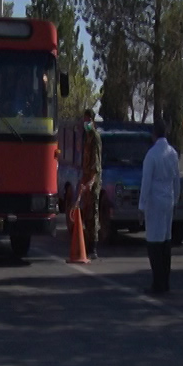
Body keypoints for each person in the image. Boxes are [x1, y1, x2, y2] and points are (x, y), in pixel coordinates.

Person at [139, 119, 181, 294]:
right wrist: (176, 199)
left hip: (155, 203)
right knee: (166, 241)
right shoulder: (172, 153)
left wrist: (141, 206)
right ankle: (166, 282)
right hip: (168, 201)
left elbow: (146, 182)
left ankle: (157, 283)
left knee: (154, 242)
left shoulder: (152, 155)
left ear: (154, 134)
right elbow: (177, 179)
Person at [80, 108, 102, 260]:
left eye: (88, 120)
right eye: (84, 120)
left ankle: (93, 247)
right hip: (86, 179)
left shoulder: (95, 137)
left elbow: (95, 164)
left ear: (92, 121)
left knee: (92, 213)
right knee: (86, 212)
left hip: (93, 183)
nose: (85, 123)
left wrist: (90, 182)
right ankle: (87, 245)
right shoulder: (87, 137)